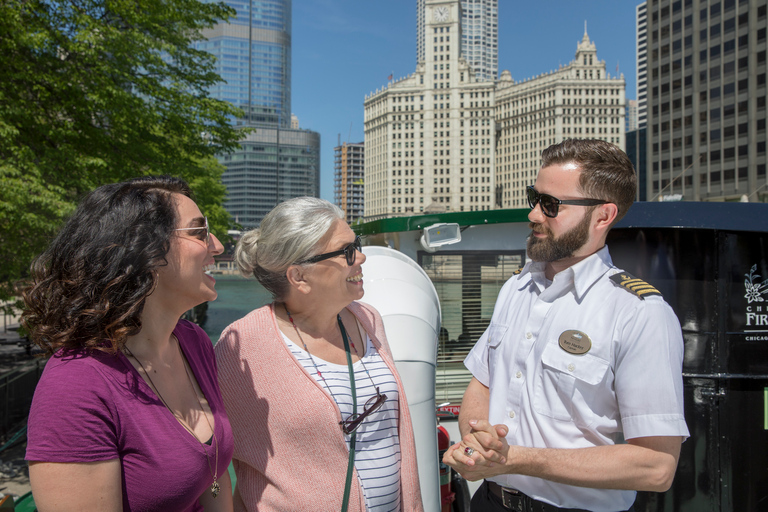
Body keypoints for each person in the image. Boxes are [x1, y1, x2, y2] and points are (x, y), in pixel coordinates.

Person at [443, 139, 689, 512]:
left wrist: (517, 459)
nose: (534, 215)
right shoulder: (517, 287)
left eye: (551, 205)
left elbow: (656, 466)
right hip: (490, 502)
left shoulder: (639, 313)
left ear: (603, 216)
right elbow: (483, 382)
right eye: (534, 198)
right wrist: (478, 443)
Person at [23, 176, 234, 512]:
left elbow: (214, 477)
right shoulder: (76, 384)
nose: (218, 246)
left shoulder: (194, 343)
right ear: (145, 251)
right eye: (199, 232)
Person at [214, 197, 423, 512]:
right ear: (299, 276)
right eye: (347, 251)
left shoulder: (369, 320)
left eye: (358, 244)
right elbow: (210, 458)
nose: (362, 257)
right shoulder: (242, 344)